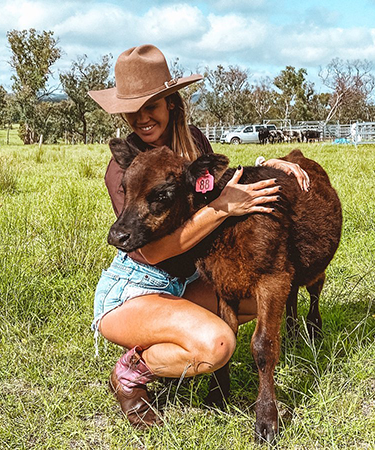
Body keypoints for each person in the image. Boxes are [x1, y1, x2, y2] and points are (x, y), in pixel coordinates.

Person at [89, 44, 310, 429]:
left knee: (262, 303)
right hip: (139, 286)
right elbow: (155, 252)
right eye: (132, 109)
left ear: (171, 103)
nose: (142, 119)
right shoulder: (124, 165)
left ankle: (172, 342)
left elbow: (214, 185)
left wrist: (266, 166)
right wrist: (221, 208)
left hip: (191, 278)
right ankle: (130, 373)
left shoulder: (192, 141)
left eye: (151, 106)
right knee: (217, 345)